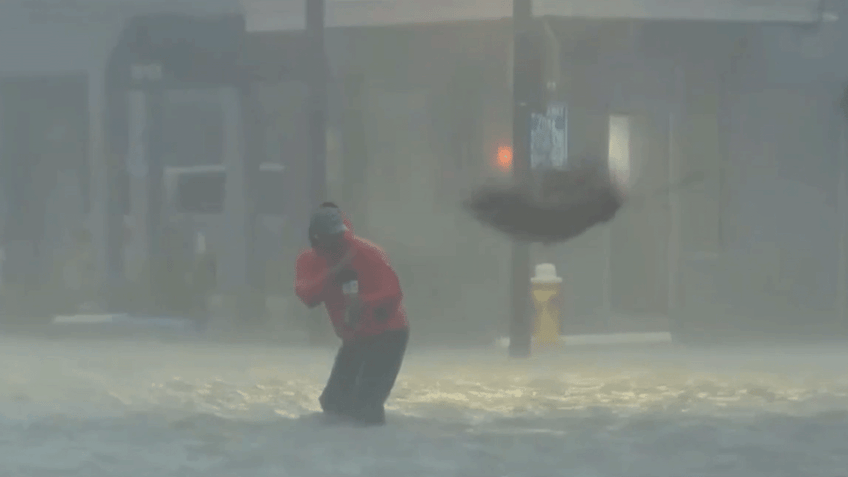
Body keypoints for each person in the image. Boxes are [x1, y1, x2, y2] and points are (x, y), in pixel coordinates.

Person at [295, 202, 409, 426]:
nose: (337, 243)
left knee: (367, 404)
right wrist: (334, 272)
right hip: (355, 337)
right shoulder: (309, 261)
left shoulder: (369, 253)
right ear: (318, 237)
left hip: (389, 333)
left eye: (339, 236)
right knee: (333, 402)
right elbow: (308, 296)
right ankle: (340, 455)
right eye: (330, 238)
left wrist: (364, 305)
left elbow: (393, 292)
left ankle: (379, 452)